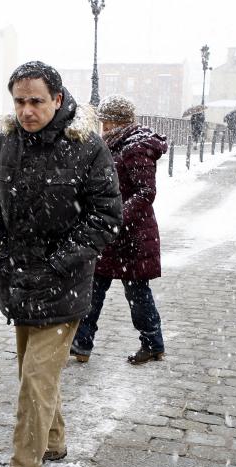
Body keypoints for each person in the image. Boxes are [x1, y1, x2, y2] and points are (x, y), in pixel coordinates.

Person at [0, 61, 122, 467]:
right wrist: (2, 257)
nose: (27, 110)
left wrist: (59, 260)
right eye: (20, 101)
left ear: (58, 100)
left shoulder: (87, 148)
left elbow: (106, 217)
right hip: (18, 283)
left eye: (36, 101)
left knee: (35, 380)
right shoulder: (4, 144)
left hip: (63, 285)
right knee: (33, 374)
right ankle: (55, 441)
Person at [70, 94, 167, 366]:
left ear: (114, 122)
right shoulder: (115, 145)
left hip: (132, 235)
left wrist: (116, 215)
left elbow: (146, 191)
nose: (101, 127)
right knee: (92, 290)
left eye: (104, 122)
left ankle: (152, 343)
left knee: (137, 295)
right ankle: (81, 344)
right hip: (111, 234)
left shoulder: (135, 147)